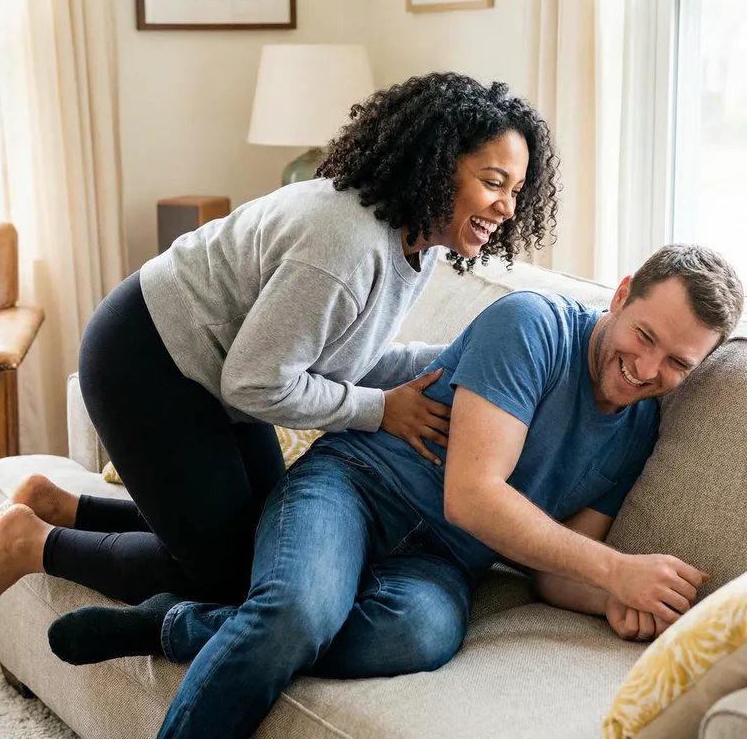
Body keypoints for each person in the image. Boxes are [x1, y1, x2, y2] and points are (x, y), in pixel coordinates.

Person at [50, 245, 744, 739]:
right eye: (645, 335)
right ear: (621, 295)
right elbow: (472, 497)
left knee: (418, 634)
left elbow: (554, 572)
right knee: (297, 610)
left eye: (678, 362)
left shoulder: (640, 431)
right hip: (354, 488)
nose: (647, 367)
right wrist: (618, 570)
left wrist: (613, 600)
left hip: (438, 567)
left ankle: (180, 624)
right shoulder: (532, 326)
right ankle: (242, 621)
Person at [0, 72, 559, 627]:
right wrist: (381, 410)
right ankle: (32, 542)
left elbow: (346, 354)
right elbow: (258, 383)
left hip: (219, 374)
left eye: (516, 189)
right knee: (227, 575)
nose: (506, 208)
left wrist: (463, 361)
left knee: (265, 541)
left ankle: (59, 505)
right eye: (492, 182)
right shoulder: (344, 245)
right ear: (436, 167)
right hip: (149, 361)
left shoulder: (417, 243)